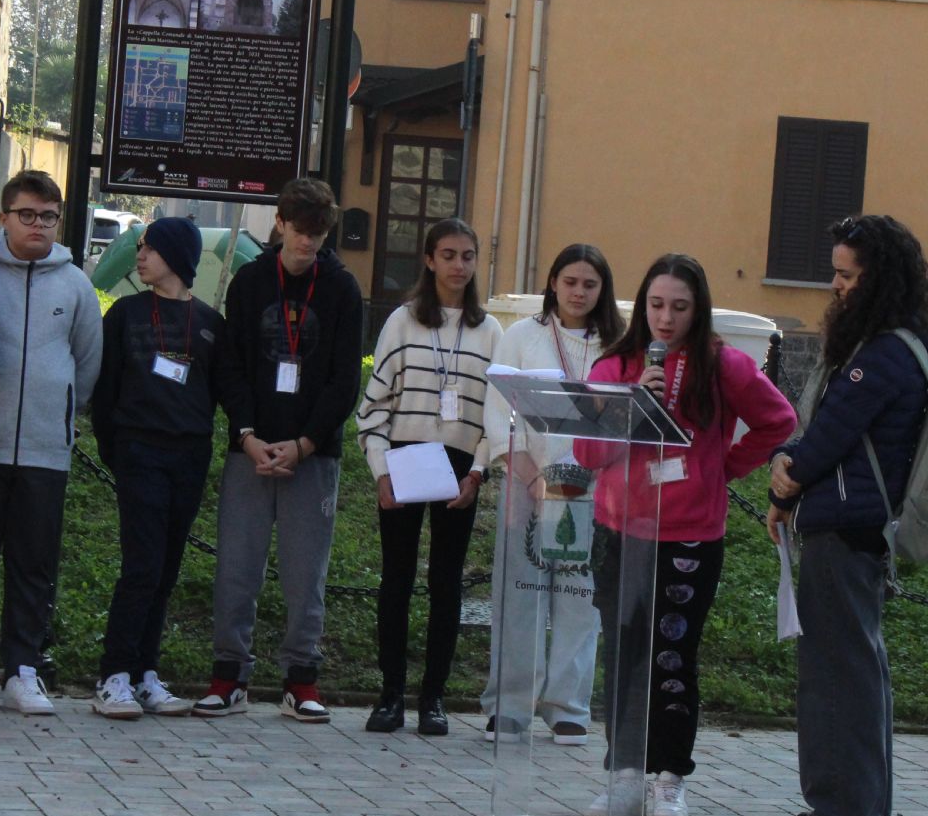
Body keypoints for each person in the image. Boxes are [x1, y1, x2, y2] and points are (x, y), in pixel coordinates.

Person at [577, 253, 796, 816]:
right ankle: (624, 773)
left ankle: (669, 778)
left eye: (679, 307)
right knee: (623, 653)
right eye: (656, 305)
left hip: (690, 535)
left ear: (699, 310)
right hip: (619, 530)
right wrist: (632, 405)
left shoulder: (724, 366)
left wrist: (722, 469)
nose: (666, 319)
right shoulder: (615, 365)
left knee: (671, 655)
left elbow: (778, 421)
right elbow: (587, 452)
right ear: (641, 306)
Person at [768, 215, 928, 816]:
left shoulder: (881, 355)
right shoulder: (911, 343)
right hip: (864, 525)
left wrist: (785, 480)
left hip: (844, 527)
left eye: (847, 275)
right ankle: (865, 813)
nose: (836, 286)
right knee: (859, 671)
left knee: (836, 675)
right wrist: (792, 466)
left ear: (878, 280)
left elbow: (830, 435)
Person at [195, 178, 362, 722]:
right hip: (251, 448)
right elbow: (231, 366)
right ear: (280, 224)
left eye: (318, 233)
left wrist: (305, 443)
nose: (307, 242)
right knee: (236, 568)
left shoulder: (341, 288)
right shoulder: (249, 281)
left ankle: (301, 679)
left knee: (304, 574)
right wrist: (247, 436)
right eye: (299, 230)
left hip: (312, 454)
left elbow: (344, 380)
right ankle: (229, 675)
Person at [0, 171, 102, 716]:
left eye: (48, 216)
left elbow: (87, 361)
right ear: (4, 217)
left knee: (34, 564)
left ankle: (22, 669)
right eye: (27, 215)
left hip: (44, 450)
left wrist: (62, 413)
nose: (38, 225)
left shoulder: (76, 284)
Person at [357, 218, 501, 737]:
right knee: (396, 580)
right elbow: (374, 408)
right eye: (448, 255)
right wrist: (381, 471)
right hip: (405, 457)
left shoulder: (491, 331)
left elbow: (496, 416)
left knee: (446, 582)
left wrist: (478, 472)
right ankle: (390, 695)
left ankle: (433, 699)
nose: (459, 266)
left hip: (460, 466)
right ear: (429, 259)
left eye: (468, 256)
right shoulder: (401, 322)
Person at [478, 243, 623, 746]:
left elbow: (621, 418)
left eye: (590, 284)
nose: (579, 292)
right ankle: (510, 704)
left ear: (603, 290)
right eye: (570, 282)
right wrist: (528, 474)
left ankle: (568, 706)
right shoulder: (522, 335)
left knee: (580, 601)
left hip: (593, 488)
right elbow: (500, 410)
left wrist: (591, 478)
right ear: (553, 284)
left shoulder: (617, 345)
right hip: (529, 483)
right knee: (520, 596)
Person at [90, 217, 222, 720]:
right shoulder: (125, 313)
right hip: (139, 451)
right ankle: (114, 674)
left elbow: (218, 391)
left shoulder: (210, 322)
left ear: (177, 257)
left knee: (166, 568)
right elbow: (106, 388)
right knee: (141, 566)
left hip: (189, 455)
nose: (140, 256)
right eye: (140, 247)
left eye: (150, 248)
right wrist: (117, 449)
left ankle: (145, 672)